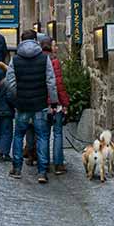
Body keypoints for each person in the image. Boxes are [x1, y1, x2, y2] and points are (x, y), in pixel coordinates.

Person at [2, 28, 57, 183]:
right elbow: (51, 81)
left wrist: (17, 95)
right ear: (35, 40)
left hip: (22, 104)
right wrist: (53, 102)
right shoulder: (43, 58)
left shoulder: (16, 59)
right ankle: (42, 171)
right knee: (42, 136)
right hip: (39, 103)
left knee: (19, 135)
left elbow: (10, 81)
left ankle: (17, 168)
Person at [41, 32, 71, 175]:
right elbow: (58, 85)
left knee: (44, 134)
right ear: (49, 46)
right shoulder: (54, 61)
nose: (57, 48)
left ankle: (44, 163)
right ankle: (58, 164)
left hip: (42, 103)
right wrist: (65, 103)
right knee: (58, 133)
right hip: (55, 103)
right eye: (54, 45)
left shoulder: (38, 60)